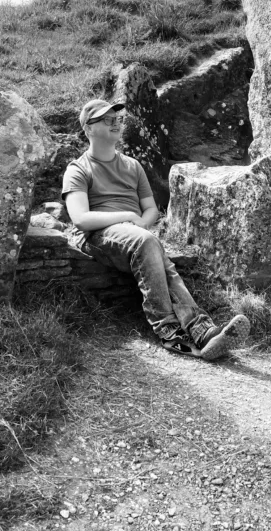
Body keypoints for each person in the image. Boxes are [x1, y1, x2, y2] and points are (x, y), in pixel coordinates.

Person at [62, 98, 250, 360]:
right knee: (146, 242)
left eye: (118, 119)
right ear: (89, 128)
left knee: (150, 243)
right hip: (98, 236)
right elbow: (81, 219)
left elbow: (151, 209)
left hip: (134, 233)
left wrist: (139, 223)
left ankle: (202, 333)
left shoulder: (132, 166)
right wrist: (128, 216)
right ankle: (170, 329)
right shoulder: (78, 169)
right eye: (107, 119)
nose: (116, 123)